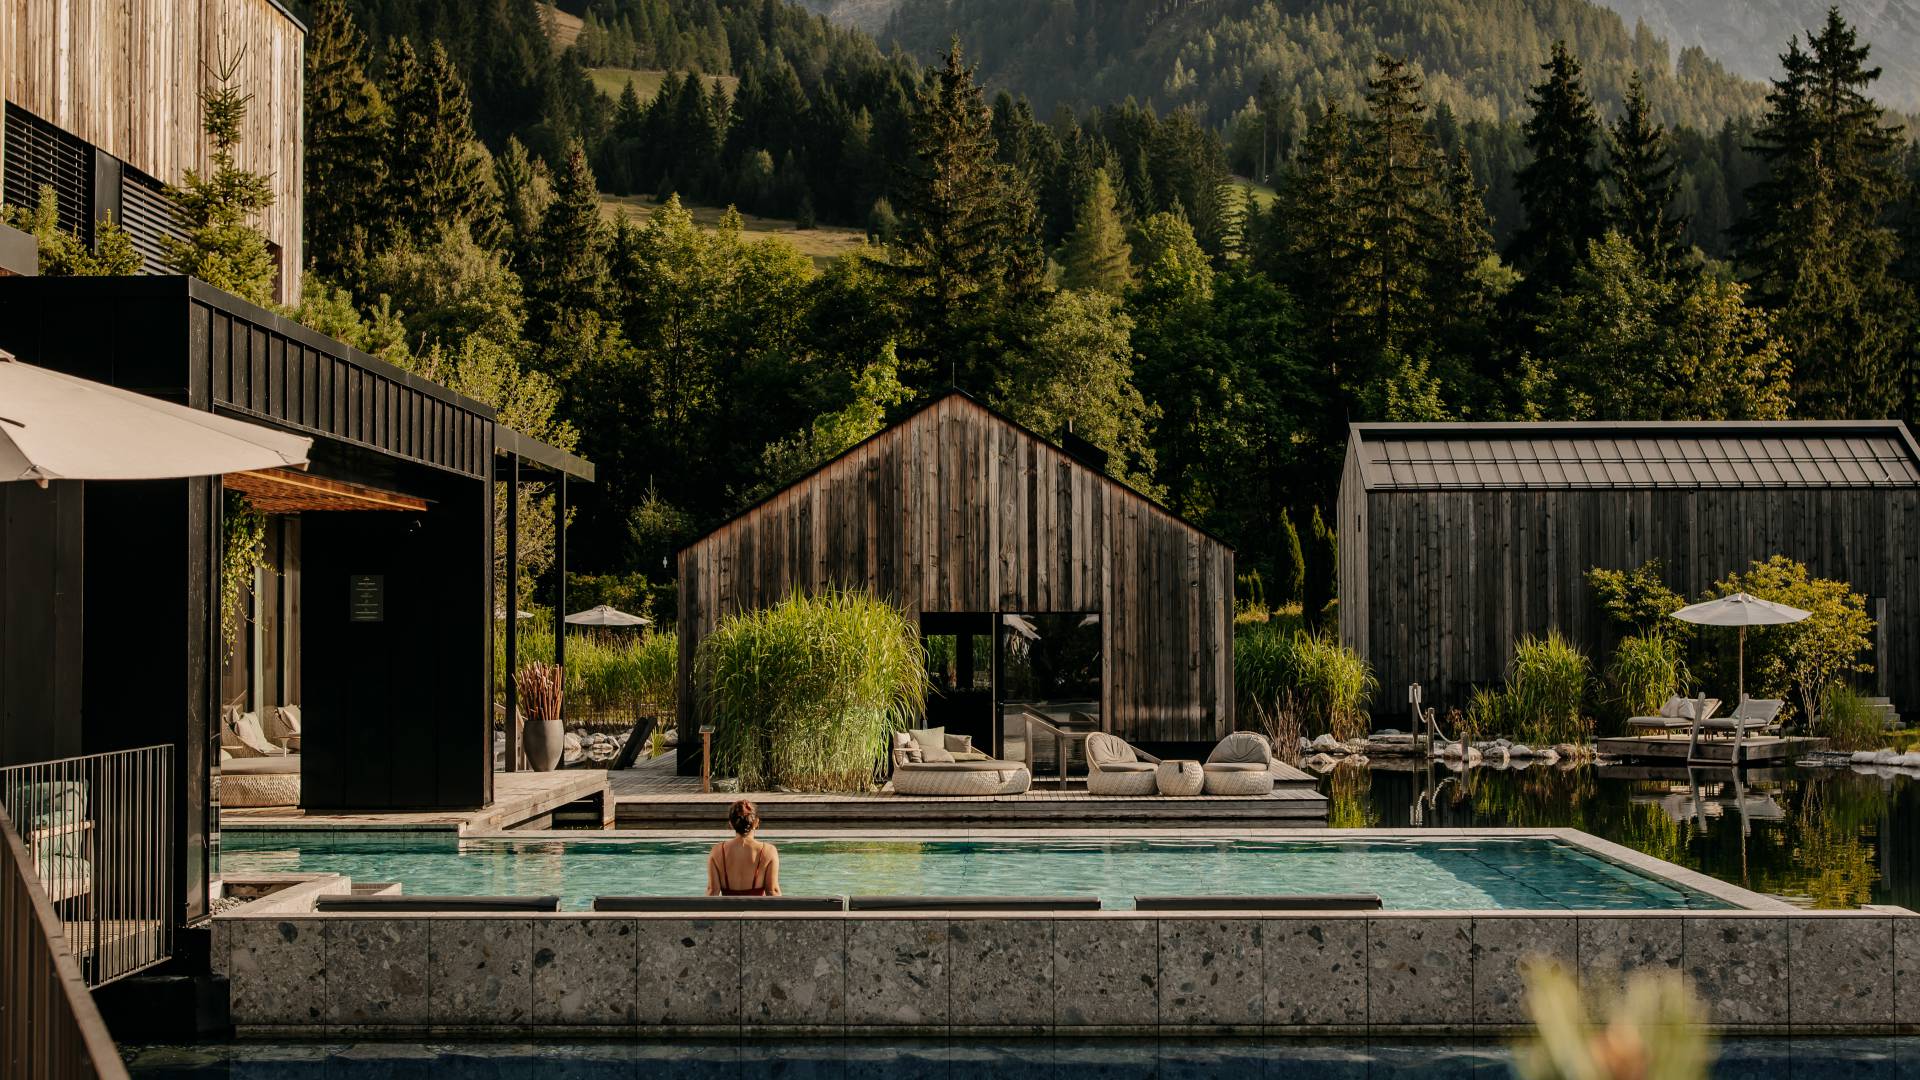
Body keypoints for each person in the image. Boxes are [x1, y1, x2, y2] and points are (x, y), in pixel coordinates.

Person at [706, 799, 780, 896]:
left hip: (728, 911)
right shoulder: (768, 851)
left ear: (731, 824)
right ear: (756, 822)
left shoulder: (717, 851)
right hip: (755, 910)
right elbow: (772, 891)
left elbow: (713, 891)